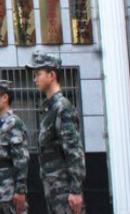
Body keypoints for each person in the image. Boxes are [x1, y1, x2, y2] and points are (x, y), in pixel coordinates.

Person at [26, 51, 86, 214]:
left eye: (38, 74)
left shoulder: (62, 108)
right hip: (54, 189)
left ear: (52, 75)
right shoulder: (50, 109)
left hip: (65, 191)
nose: (35, 79)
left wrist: (75, 190)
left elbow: (74, 151)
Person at [0, 81, 29, 214]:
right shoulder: (0, 124)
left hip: (10, 191)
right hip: (0, 191)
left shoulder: (14, 123)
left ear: (5, 98)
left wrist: (20, 190)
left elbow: (21, 159)